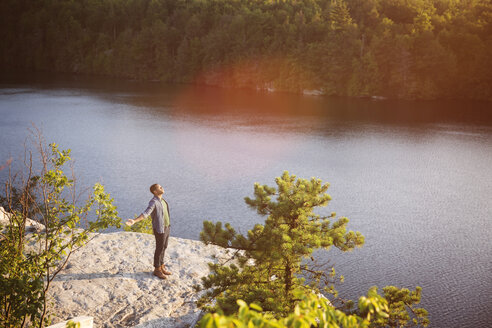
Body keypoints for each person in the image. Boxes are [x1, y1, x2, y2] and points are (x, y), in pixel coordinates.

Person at [126, 183, 172, 280]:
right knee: (159, 248)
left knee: (164, 247)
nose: (162, 187)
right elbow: (145, 213)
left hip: (167, 227)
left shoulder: (162, 200)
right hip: (160, 229)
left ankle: (162, 266)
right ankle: (157, 269)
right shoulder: (153, 202)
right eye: (160, 187)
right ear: (155, 191)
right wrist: (134, 221)